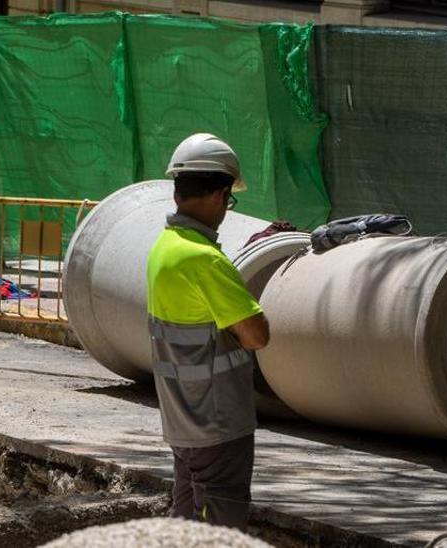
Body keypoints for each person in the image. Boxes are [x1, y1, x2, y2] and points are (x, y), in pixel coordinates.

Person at [145, 133, 270, 529]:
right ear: (219, 195)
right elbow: (256, 335)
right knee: (222, 523)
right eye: (229, 201)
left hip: (183, 420)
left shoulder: (164, 249)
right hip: (217, 422)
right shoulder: (204, 259)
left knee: (185, 517)